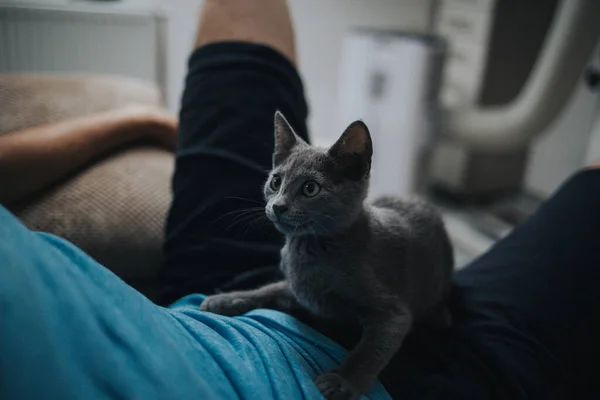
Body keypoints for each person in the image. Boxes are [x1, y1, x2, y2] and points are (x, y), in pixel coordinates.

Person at [0, 1, 598, 398]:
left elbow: (386, 309)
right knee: (586, 207)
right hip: (272, 373)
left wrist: (139, 122)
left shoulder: (356, 235)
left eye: (303, 188)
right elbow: (346, 304)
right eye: (275, 183)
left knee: (238, 34)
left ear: (355, 173)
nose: (278, 203)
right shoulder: (298, 223)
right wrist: (348, 373)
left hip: (208, 321)